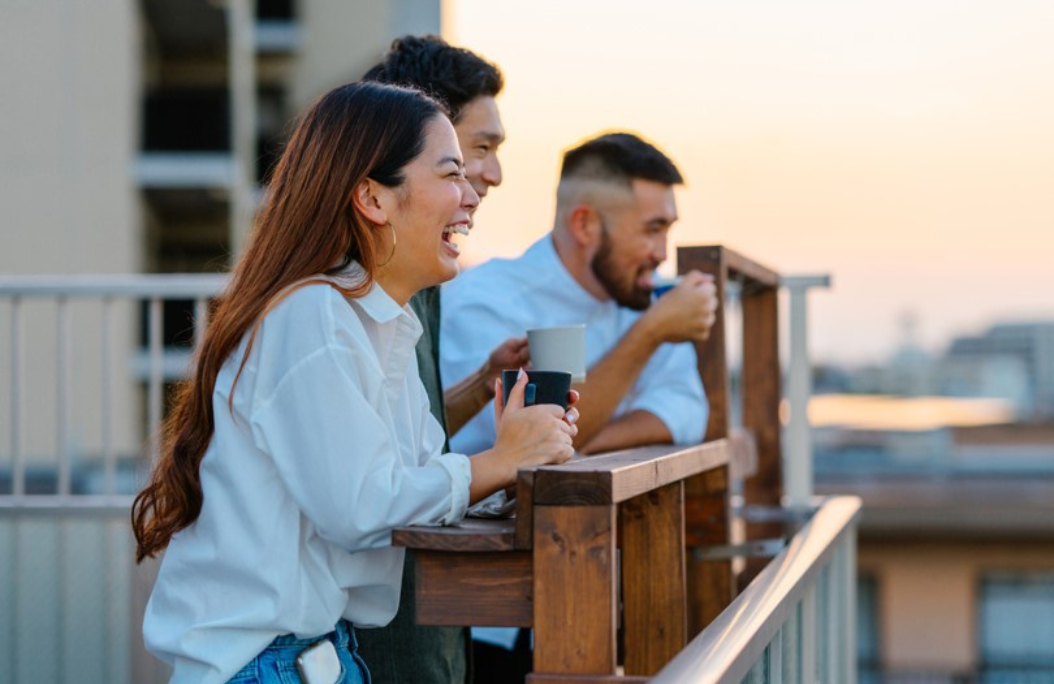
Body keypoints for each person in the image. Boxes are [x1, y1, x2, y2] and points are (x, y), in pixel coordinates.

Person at [130, 81, 576, 684]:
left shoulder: (381, 324)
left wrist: (515, 457)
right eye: (451, 174)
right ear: (372, 197)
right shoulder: (311, 315)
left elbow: (411, 490)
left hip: (317, 659)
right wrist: (497, 461)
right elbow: (362, 508)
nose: (471, 195)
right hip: (266, 667)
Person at [440, 132, 718, 681]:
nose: (662, 254)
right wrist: (648, 337)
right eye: (652, 229)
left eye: (669, 231)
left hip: (603, 597)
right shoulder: (489, 300)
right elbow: (520, 442)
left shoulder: (644, 297)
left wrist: (579, 437)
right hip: (480, 614)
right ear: (586, 224)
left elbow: (683, 415)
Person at [357, 35, 524, 684]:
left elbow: (403, 431)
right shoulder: (343, 296)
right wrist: (506, 459)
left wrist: (485, 384)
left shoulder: (420, 275)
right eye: (476, 151)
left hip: (414, 605)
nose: (491, 173)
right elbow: (369, 492)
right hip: (379, 625)